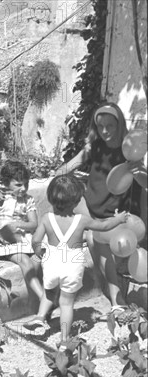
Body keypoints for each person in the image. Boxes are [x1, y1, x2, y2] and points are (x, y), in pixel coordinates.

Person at [54, 102, 143, 317]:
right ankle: (114, 297)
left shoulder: (128, 150)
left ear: (119, 124)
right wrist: (65, 182)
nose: (105, 131)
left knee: (98, 245)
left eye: (110, 126)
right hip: (89, 207)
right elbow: (66, 168)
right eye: (100, 126)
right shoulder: (94, 147)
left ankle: (115, 299)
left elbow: (142, 181)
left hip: (114, 213)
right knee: (96, 245)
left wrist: (136, 170)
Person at [25, 175, 129, 342]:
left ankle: (40, 316)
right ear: (75, 201)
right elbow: (103, 226)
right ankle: (65, 339)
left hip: (52, 262)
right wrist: (118, 219)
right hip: (72, 265)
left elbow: (36, 240)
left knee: (49, 292)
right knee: (66, 303)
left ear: (51, 198)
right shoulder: (82, 220)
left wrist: (38, 251)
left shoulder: (46, 219)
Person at [0, 161, 43, 301]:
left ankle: (41, 299)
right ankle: (43, 298)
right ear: (6, 183)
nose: (23, 188)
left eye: (26, 184)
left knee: (34, 261)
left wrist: (19, 224)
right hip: (1, 240)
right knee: (25, 261)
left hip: (20, 238)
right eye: (18, 185)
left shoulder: (27, 200)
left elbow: (34, 223)